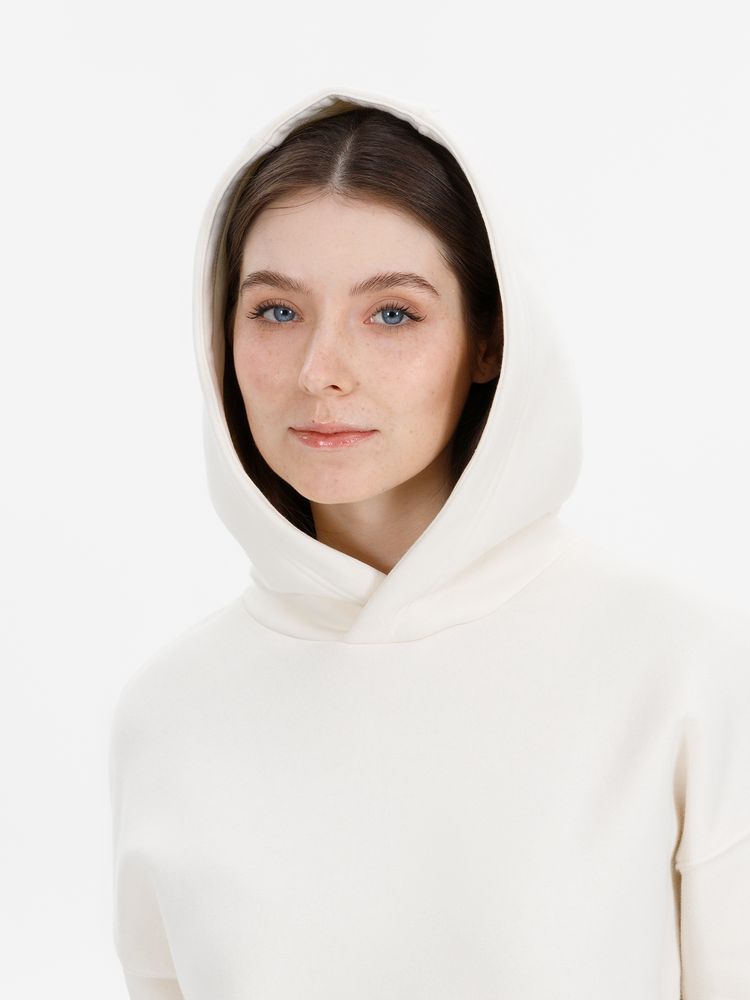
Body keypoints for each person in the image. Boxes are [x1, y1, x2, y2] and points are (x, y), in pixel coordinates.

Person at [108, 86, 750, 999]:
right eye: (278, 311)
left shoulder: (681, 668)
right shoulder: (170, 713)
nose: (321, 373)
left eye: (392, 314)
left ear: (489, 341)